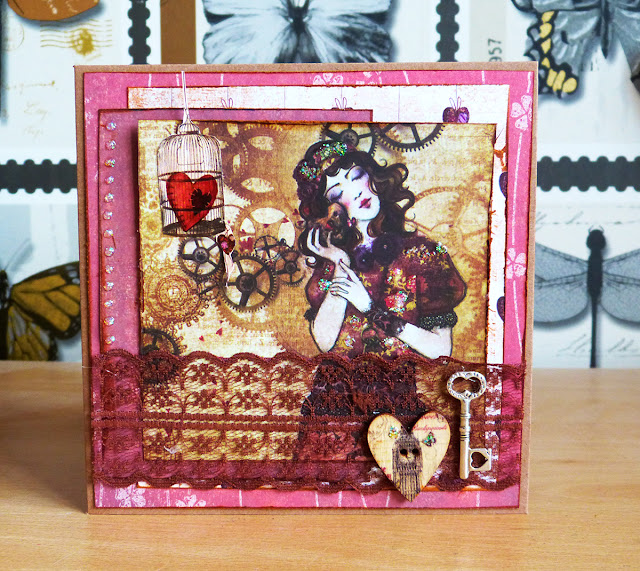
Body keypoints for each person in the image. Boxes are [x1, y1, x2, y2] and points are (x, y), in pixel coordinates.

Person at [292, 140, 467, 468]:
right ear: (332, 211)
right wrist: (340, 262)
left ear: (372, 175)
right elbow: (325, 341)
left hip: (396, 404)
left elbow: (439, 349)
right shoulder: (335, 263)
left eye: (356, 175)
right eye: (338, 192)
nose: (356, 192)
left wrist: (370, 308)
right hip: (332, 412)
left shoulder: (424, 255)